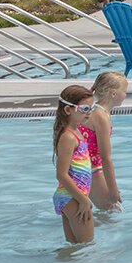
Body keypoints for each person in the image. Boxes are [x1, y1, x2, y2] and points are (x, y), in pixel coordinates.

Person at [53, 84, 97, 244]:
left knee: (74, 249)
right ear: (68, 110)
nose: (90, 112)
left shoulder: (76, 132)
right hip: (72, 198)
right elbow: (61, 174)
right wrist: (83, 200)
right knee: (87, 248)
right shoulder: (68, 137)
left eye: (92, 108)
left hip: (70, 197)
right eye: (85, 108)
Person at [83, 71, 128, 211]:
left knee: (108, 211)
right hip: (89, 168)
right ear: (113, 93)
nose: (126, 95)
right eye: (125, 91)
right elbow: (105, 157)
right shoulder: (101, 117)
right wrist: (113, 190)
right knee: (111, 210)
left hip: (84, 165)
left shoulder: (96, 110)